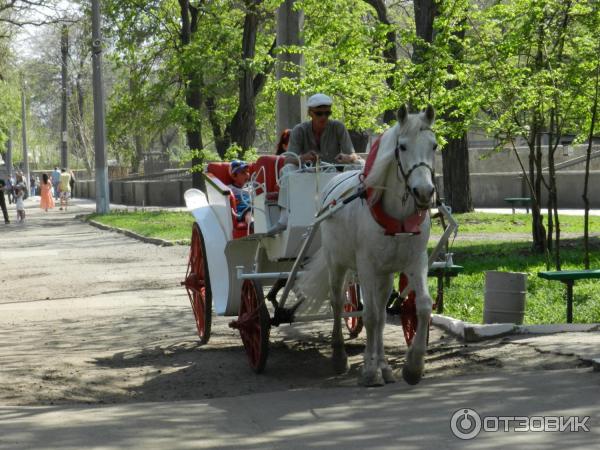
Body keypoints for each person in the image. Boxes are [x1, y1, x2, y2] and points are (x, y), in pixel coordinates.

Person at [267, 93, 363, 235]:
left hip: (332, 174)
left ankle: (357, 211)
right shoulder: (299, 130)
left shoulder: (338, 127)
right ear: (310, 113)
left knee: (358, 165)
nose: (324, 117)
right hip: (306, 173)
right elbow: (288, 159)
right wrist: (303, 158)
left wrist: (348, 158)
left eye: (327, 113)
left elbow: (354, 155)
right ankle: (284, 218)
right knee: (287, 169)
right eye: (319, 113)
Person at [228, 160, 253, 226]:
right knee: (249, 212)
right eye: (243, 173)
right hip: (242, 211)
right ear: (234, 176)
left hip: (254, 207)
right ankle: (252, 223)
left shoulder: (251, 187)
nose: (247, 174)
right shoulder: (230, 189)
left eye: (247, 172)